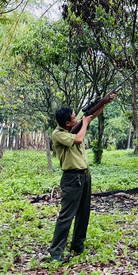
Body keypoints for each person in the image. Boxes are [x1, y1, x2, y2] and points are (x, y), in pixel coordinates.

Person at [48, 101, 113, 262]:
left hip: (84, 176)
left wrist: (104, 103)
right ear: (67, 123)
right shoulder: (58, 133)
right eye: (74, 117)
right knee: (67, 215)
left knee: (84, 214)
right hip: (72, 178)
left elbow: (89, 118)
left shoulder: (74, 128)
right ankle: (56, 252)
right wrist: (84, 123)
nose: (77, 118)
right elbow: (78, 139)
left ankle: (78, 246)